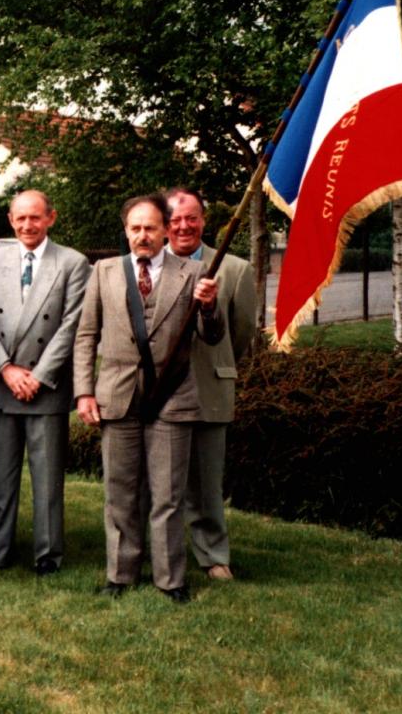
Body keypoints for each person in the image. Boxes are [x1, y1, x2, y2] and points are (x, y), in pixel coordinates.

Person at [74, 193, 223, 604]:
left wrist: (210, 308)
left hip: (173, 398)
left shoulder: (194, 273)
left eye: (151, 227)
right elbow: (86, 335)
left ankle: (170, 578)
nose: (143, 235)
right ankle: (120, 574)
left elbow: (212, 336)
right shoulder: (103, 272)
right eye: (135, 228)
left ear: (166, 229)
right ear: (126, 231)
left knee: (168, 495)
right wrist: (84, 391)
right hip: (117, 397)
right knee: (120, 491)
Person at [0, 191, 90, 576]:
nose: (28, 225)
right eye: (20, 218)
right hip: (1, 386)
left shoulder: (73, 263)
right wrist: (6, 369)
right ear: (10, 219)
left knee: (47, 481)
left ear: (51, 218)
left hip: (47, 388)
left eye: (35, 218)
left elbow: (71, 326)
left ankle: (48, 556)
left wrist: (38, 377)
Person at [165, 187, 256, 581]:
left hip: (209, 387)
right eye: (174, 219)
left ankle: (213, 555)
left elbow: (241, 335)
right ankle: (155, 551)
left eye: (191, 218)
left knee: (205, 480)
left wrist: (212, 363)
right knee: (155, 481)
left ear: (204, 220)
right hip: (157, 392)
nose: (183, 226)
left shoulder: (236, 270)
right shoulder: (147, 266)